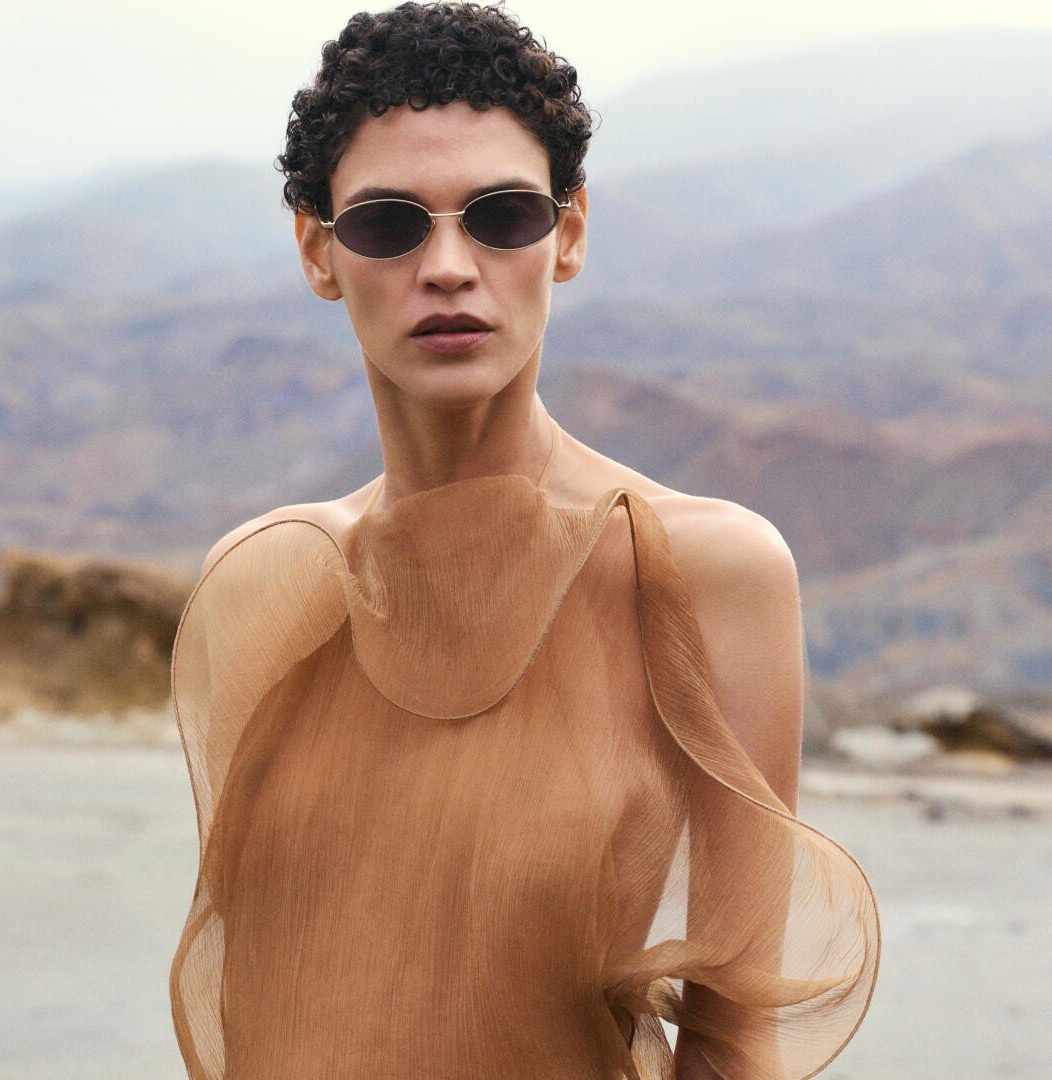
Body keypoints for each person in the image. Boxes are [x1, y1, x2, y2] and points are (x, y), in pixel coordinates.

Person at [167, 4, 880, 1078]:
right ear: (320, 252)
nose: (449, 266)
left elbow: (734, 1046)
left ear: (571, 233)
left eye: (502, 217)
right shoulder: (265, 580)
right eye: (388, 224)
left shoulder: (702, 570)